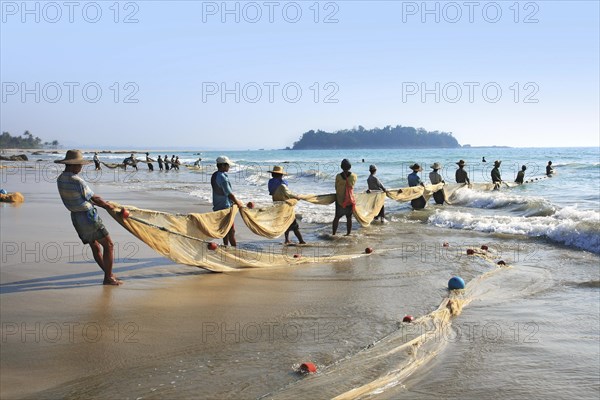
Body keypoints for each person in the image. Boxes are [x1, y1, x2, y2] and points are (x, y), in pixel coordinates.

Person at [55, 150, 121, 286]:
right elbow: (93, 197)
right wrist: (108, 206)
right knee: (109, 245)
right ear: (73, 165)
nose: (81, 167)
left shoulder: (60, 179)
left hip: (76, 217)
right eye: (80, 165)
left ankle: (108, 274)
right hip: (88, 216)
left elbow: (81, 198)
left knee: (95, 246)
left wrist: (103, 205)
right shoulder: (77, 180)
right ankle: (108, 278)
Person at [268, 165, 306, 244]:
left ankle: (286, 240)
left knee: (286, 222)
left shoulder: (270, 182)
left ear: (273, 174)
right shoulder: (282, 184)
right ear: (280, 175)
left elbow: (272, 193)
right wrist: (297, 197)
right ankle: (301, 241)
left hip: (277, 205)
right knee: (294, 225)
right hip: (285, 205)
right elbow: (288, 193)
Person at [211, 156, 244, 246]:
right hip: (225, 206)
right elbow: (229, 194)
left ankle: (225, 246)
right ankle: (234, 249)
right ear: (222, 166)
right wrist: (238, 203)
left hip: (217, 205)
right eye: (227, 165)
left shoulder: (215, 175)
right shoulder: (223, 178)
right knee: (231, 230)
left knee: (225, 229)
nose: (229, 167)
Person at [333, 159, 357, 235]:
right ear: (350, 167)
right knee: (349, 218)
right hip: (349, 200)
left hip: (340, 200)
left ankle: (334, 233)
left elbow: (336, 187)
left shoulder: (338, 176)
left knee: (337, 217)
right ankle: (348, 233)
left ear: (341, 167)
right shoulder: (354, 176)